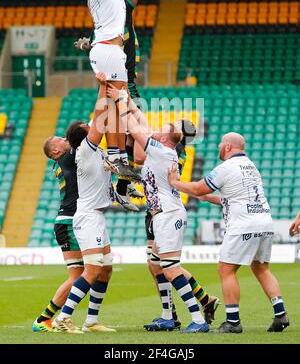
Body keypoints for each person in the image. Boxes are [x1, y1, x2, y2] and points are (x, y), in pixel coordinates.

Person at [107, 86, 209, 333]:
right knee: (156, 264)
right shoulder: (165, 149)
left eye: (164, 128)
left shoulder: (161, 150)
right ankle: (167, 315)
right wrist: (128, 103)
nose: (159, 128)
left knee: (171, 267)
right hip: (161, 212)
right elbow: (140, 124)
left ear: (164, 138)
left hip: (168, 213)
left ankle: (198, 319)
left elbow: (134, 127)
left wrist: (121, 102)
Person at [168, 132, 290, 333]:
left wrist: (175, 182)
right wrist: (211, 199)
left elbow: (199, 188)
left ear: (227, 147)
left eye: (220, 144)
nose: (218, 147)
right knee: (261, 268)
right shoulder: (251, 167)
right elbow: (237, 197)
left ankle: (233, 322)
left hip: (243, 225)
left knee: (226, 270)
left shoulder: (226, 168)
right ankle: (281, 315)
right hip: (265, 221)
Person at [55, 0, 139, 181]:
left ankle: (118, 158)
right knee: (120, 103)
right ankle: (117, 158)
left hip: (106, 50)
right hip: (108, 50)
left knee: (117, 104)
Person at [75, 0, 153, 204]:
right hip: (112, 56)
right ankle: (119, 168)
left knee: (116, 108)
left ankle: (119, 165)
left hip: (106, 53)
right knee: (123, 110)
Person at [140, 119, 219, 330]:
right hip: (158, 209)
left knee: (168, 266)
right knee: (157, 264)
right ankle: (175, 313)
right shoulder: (173, 149)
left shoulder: (167, 151)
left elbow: (139, 155)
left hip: (164, 210)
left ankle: (190, 316)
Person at [52, 73, 116, 334]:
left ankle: (91, 320)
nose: (94, 129)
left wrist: (106, 93)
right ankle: (63, 318)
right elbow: (99, 116)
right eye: (89, 129)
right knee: (91, 270)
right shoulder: (87, 150)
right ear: (84, 136)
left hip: (96, 216)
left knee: (106, 269)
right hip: (87, 216)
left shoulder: (90, 148)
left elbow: (97, 118)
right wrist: (103, 87)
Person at [32, 138, 84, 332]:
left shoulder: (63, 161)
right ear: (55, 151)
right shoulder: (66, 158)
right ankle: (43, 319)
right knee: (77, 276)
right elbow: (86, 138)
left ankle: (77, 318)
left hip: (69, 221)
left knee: (89, 273)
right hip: (68, 222)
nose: (65, 139)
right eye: (61, 140)